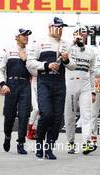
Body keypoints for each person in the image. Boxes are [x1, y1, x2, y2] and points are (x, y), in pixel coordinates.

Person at [27, 17, 76, 159]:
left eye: (62, 28)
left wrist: (66, 60)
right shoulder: (39, 42)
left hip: (60, 83)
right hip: (44, 81)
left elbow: (73, 66)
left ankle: (49, 148)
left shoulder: (66, 44)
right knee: (46, 113)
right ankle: (39, 143)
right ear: (50, 27)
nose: (60, 30)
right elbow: (30, 62)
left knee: (56, 118)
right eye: (57, 27)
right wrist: (45, 65)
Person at [0, 28, 32, 154]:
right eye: (23, 35)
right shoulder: (8, 50)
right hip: (11, 85)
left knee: (24, 115)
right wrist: (3, 84)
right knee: (9, 116)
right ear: (17, 37)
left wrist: (26, 60)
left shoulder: (31, 52)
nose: (26, 37)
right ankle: (7, 136)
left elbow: (34, 72)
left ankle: (21, 143)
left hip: (25, 85)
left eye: (27, 35)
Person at [64, 26, 97, 154]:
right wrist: (72, 42)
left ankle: (86, 143)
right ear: (73, 35)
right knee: (70, 116)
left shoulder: (91, 51)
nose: (81, 35)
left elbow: (93, 72)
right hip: (70, 83)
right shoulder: (69, 47)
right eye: (78, 33)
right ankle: (71, 142)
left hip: (85, 85)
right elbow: (61, 55)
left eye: (83, 33)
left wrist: (93, 90)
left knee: (87, 115)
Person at [27, 76, 40, 140]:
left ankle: (34, 131)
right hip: (32, 84)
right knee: (36, 108)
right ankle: (29, 130)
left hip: (41, 84)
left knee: (39, 110)